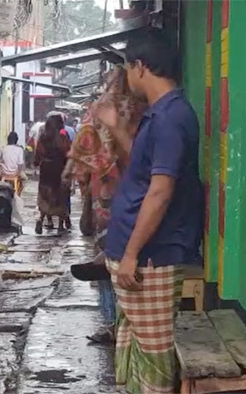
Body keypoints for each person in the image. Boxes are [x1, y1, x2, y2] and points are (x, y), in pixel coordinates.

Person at [96, 30, 203, 393]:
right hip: (140, 253)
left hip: (153, 257)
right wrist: (117, 128)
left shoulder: (172, 116)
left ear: (140, 66)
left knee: (154, 355)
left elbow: (160, 192)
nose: (127, 77)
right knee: (136, 346)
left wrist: (130, 255)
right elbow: (144, 173)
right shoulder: (160, 115)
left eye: (128, 68)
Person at [66, 65, 147, 345]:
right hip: (109, 192)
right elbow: (88, 143)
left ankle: (119, 323)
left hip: (124, 195)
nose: (107, 87)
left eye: (111, 81)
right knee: (108, 257)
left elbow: (130, 155)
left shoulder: (133, 111)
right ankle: (114, 321)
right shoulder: (112, 110)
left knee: (116, 262)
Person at [33, 114, 71, 234]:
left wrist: (37, 163)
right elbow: (68, 152)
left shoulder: (43, 137)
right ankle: (60, 224)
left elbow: (37, 155)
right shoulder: (62, 136)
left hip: (46, 170)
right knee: (60, 195)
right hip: (59, 169)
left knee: (45, 196)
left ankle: (41, 219)